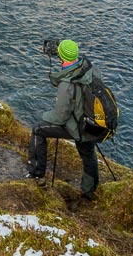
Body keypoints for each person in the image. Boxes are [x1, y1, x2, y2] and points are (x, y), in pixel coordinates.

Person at [26, 38, 100, 199]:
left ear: (62, 57)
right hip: (92, 122)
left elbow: (60, 117)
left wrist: (44, 116)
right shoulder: (88, 69)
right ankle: (89, 191)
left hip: (79, 126)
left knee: (38, 129)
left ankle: (36, 175)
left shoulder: (67, 84)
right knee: (88, 153)